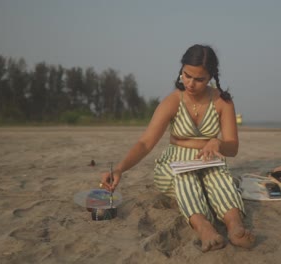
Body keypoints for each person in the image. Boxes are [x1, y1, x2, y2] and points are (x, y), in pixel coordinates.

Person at [100, 44, 255, 252]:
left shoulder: (222, 102)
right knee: (185, 179)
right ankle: (204, 227)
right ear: (181, 70)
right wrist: (119, 169)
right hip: (174, 165)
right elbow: (145, 143)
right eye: (186, 75)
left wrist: (218, 143)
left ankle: (235, 225)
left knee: (220, 178)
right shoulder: (172, 101)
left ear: (210, 76)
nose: (190, 83)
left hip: (209, 162)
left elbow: (233, 148)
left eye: (199, 79)